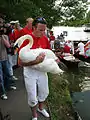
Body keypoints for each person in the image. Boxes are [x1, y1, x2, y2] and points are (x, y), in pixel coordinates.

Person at [18, 17, 59, 120]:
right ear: (33, 28)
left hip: (42, 70)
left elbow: (49, 53)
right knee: (32, 96)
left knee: (44, 92)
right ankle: (34, 115)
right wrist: (35, 62)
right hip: (30, 71)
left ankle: (40, 108)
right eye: (40, 30)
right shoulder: (27, 40)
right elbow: (20, 63)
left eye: (44, 30)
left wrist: (55, 59)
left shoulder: (45, 39)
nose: (43, 32)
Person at [0, 23, 16, 100]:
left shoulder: (5, 36)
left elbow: (8, 46)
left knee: (7, 74)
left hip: (4, 58)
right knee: (0, 77)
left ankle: (8, 86)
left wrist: (1, 37)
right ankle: (3, 93)